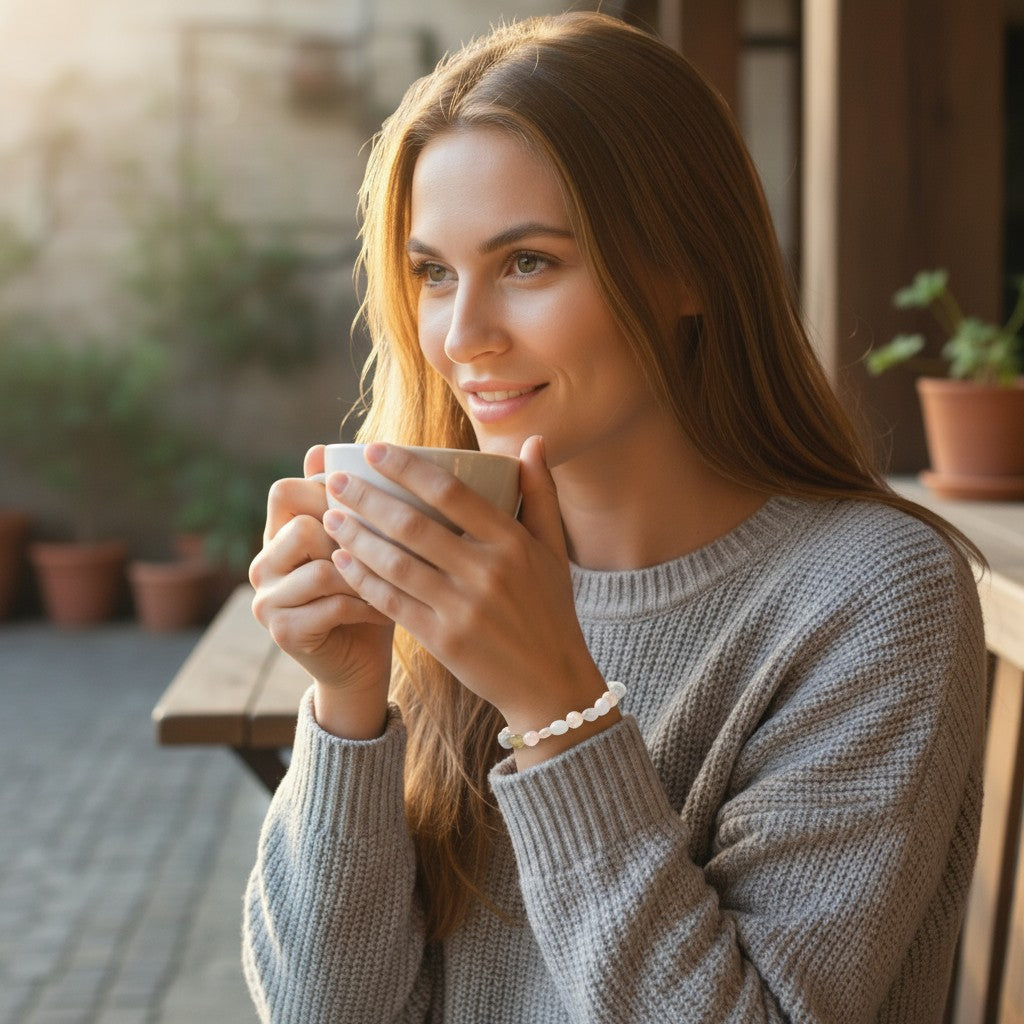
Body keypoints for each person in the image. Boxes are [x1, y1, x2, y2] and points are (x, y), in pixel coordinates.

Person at [241, 11, 986, 1023]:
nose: (462, 337)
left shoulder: (871, 595)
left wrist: (555, 703)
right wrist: (348, 701)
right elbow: (323, 1011)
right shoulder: (454, 568)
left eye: (528, 262)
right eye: (433, 273)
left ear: (688, 269)